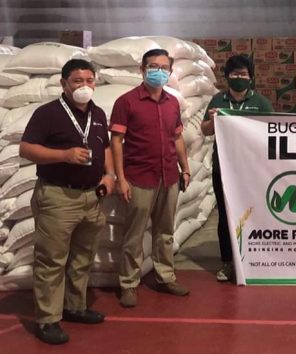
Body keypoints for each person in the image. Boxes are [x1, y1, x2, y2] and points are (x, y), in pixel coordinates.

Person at [20, 59, 116, 344]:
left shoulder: (97, 113)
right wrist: (63, 155)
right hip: (58, 197)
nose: (84, 86)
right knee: (51, 260)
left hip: (91, 197)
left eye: (89, 80)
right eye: (77, 81)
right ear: (64, 84)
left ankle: (75, 306)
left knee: (82, 258)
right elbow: (26, 149)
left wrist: (109, 175)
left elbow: (106, 147)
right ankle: (48, 319)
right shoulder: (47, 113)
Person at [110, 49, 191, 308]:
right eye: (153, 66)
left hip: (169, 176)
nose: (159, 71)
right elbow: (117, 141)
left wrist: (185, 168)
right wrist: (120, 178)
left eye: (164, 67)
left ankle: (165, 277)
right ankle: (128, 284)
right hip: (139, 177)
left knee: (165, 232)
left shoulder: (172, 103)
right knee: (134, 234)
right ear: (142, 70)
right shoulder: (127, 102)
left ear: (170, 72)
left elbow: (177, 138)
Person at [200, 55, 273, 283]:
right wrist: (213, 121)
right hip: (223, 169)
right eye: (234, 74)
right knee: (226, 216)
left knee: (252, 213)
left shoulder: (260, 103)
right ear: (227, 77)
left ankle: (254, 259)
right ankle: (228, 262)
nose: (239, 78)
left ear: (250, 77)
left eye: (243, 74)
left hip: (251, 170)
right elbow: (205, 131)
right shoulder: (218, 101)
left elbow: (270, 132)